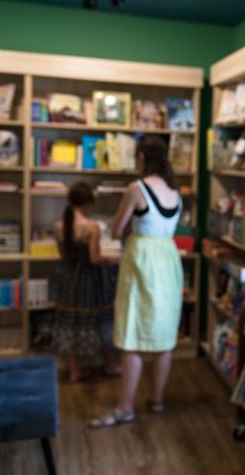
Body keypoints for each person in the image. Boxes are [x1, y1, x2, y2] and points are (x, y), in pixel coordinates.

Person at [90, 136, 184, 428]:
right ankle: (157, 399)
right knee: (164, 337)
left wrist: (132, 225)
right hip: (168, 258)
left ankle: (125, 407)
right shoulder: (175, 192)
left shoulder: (136, 188)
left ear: (143, 157)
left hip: (142, 258)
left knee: (131, 333)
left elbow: (117, 230)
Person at [52, 182, 120, 382]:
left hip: (69, 278)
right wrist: (113, 259)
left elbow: (64, 255)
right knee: (102, 319)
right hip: (91, 280)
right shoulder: (91, 227)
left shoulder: (58, 226)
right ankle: (110, 365)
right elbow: (95, 259)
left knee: (70, 322)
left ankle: (74, 371)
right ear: (89, 202)